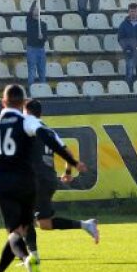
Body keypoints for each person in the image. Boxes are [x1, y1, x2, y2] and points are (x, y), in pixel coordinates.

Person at [0, 84, 84, 272]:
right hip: (26, 181)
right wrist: (73, 162)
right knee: (20, 230)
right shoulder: (26, 120)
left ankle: (18, 263)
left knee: (14, 232)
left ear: (3, 102)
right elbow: (48, 138)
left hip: (2, 181)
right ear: (22, 103)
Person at [22, 99, 100, 258]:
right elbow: (68, 153)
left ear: (27, 112)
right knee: (44, 223)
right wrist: (68, 172)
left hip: (36, 177)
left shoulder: (28, 126)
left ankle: (33, 257)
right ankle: (85, 225)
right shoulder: (49, 131)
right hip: (49, 178)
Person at [118, 3, 137, 85]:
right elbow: (120, 38)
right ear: (128, 12)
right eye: (131, 11)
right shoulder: (124, 24)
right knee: (129, 73)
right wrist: (126, 48)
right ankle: (128, 89)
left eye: (135, 11)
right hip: (130, 52)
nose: (133, 13)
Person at [25, 3, 47, 89]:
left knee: (42, 71)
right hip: (31, 49)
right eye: (35, 9)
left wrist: (42, 38)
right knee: (32, 71)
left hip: (41, 50)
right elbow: (30, 11)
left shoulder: (43, 24)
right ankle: (31, 89)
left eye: (38, 10)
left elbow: (45, 38)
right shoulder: (29, 21)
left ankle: (44, 90)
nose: (36, 11)